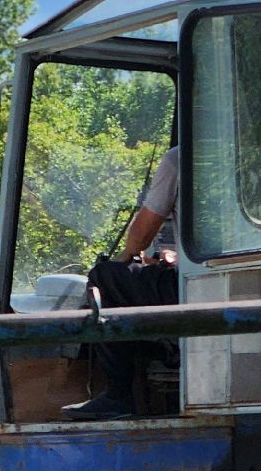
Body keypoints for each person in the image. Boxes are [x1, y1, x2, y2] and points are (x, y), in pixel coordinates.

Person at [62, 145, 179, 421]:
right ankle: (166, 349)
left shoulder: (179, 158)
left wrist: (126, 257)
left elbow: (143, 232)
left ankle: (118, 397)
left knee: (105, 277)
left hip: (189, 289)